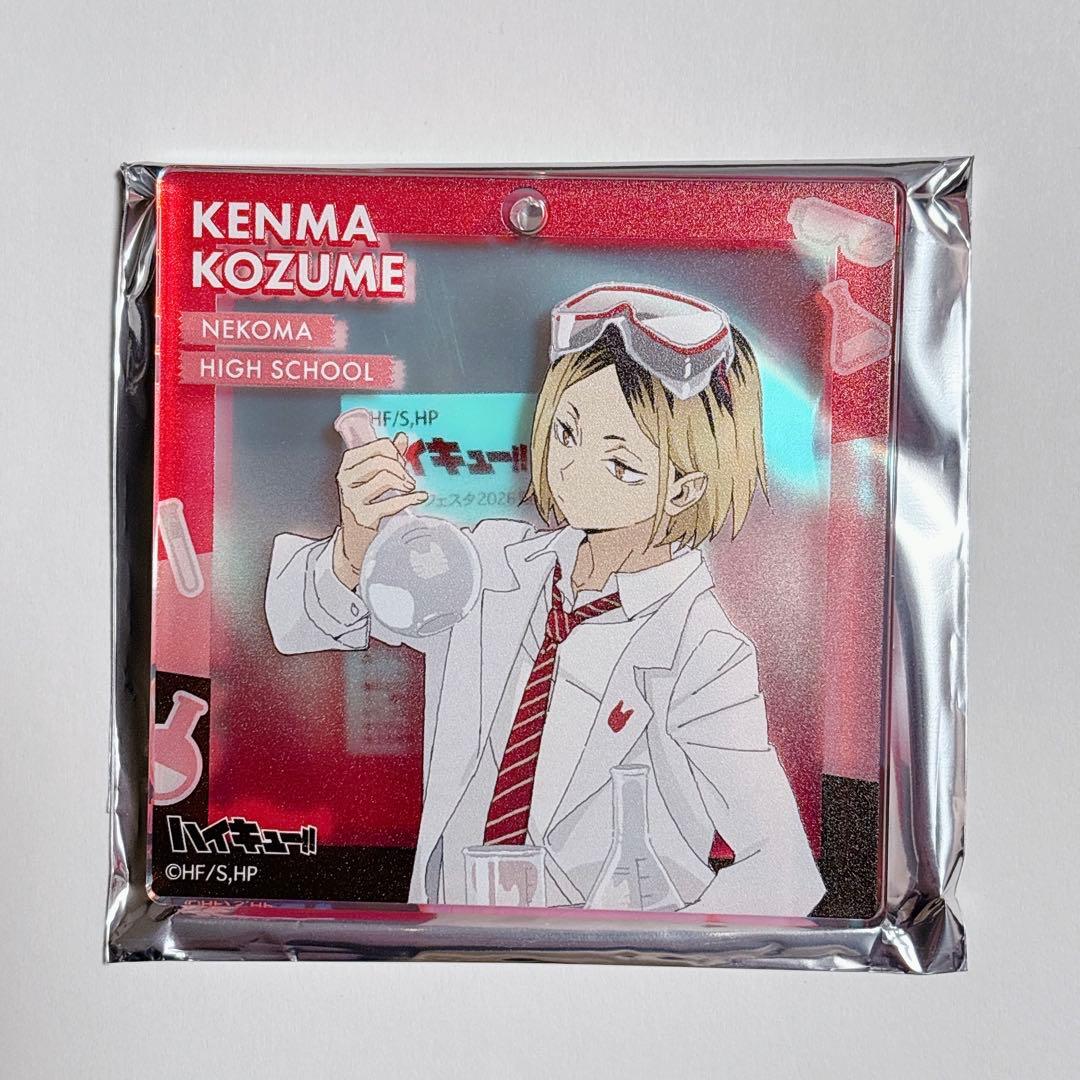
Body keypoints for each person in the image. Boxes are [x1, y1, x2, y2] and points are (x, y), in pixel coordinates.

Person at [265, 283, 824, 914]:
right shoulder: (493, 564)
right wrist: (356, 549)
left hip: (596, 959)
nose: (571, 471)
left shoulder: (704, 652)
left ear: (683, 490)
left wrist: (652, 949)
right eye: (566, 433)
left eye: (621, 465)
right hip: (446, 936)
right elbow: (301, 621)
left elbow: (784, 871)